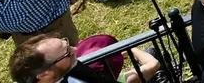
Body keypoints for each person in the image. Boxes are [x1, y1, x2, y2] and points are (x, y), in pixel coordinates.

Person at [11, 35, 159, 83]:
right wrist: (127, 48)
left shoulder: (69, 72)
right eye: (66, 53)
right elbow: (153, 65)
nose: (75, 50)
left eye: (67, 43)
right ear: (44, 74)